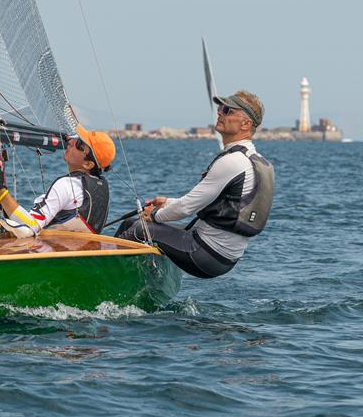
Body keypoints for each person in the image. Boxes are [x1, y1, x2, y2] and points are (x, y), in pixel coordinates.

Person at [117, 91, 274, 278]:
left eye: (227, 110)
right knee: (129, 223)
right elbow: (213, 204)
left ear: (246, 124)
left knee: (139, 229)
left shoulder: (233, 162)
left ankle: (103, 276)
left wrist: (156, 216)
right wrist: (167, 202)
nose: (220, 113)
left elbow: (185, 208)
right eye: (220, 109)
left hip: (206, 253)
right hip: (222, 257)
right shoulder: (254, 161)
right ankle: (135, 279)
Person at [0, 125, 115, 238]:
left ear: (88, 164)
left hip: (58, 256)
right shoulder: (102, 185)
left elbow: (30, 227)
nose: (71, 142)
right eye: (76, 138)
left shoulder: (67, 185)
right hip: (85, 254)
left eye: (80, 144)